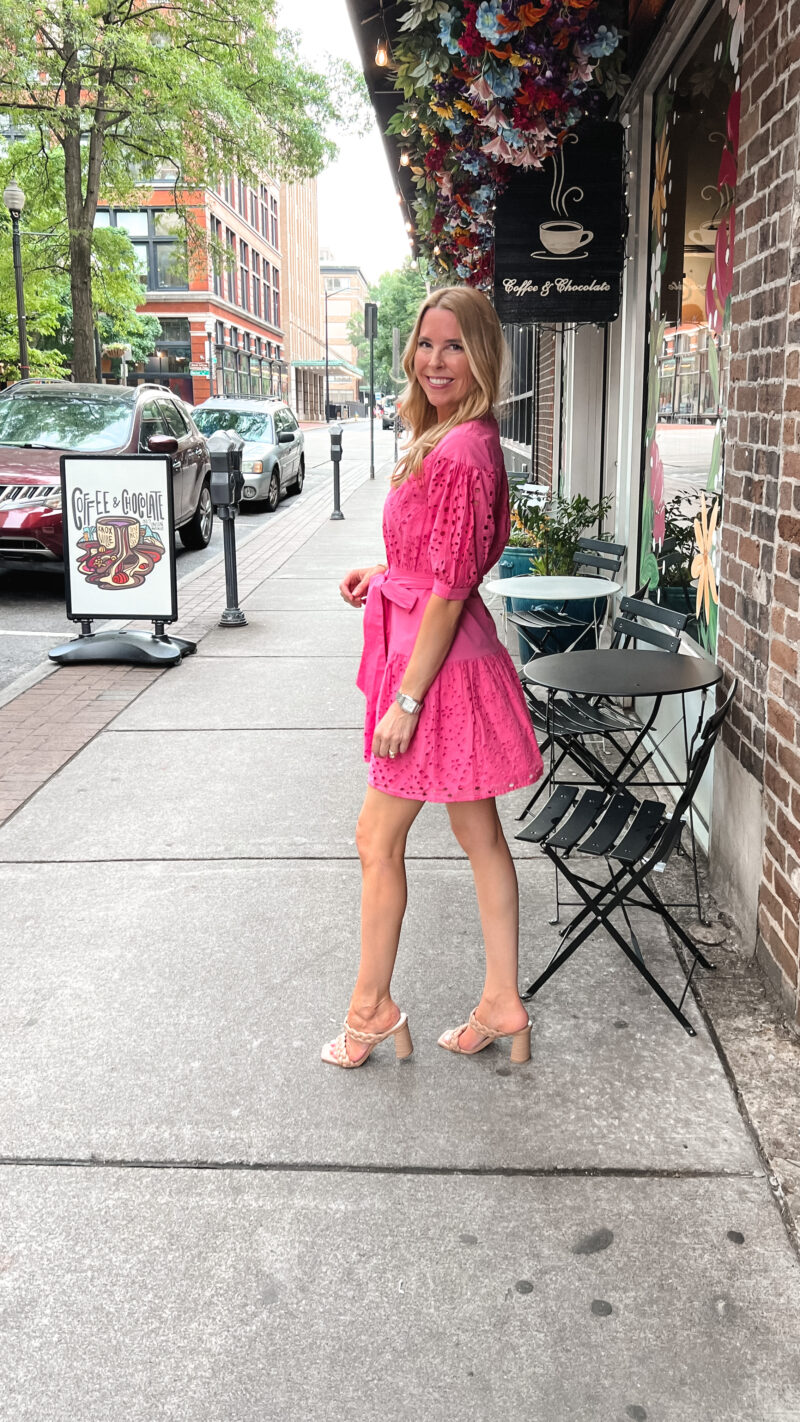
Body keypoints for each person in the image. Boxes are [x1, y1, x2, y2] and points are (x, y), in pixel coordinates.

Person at [321, 286, 543, 1070]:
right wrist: (384, 571)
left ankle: (370, 1010)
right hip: (439, 648)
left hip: (436, 667)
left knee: (376, 838)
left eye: (453, 346)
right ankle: (501, 1001)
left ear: (480, 354)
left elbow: (451, 588)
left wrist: (407, 701)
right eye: (426, 344)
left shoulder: (461, 451)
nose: (435, 360)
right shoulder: (456, 438)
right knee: (477, 831)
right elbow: (441, 563)